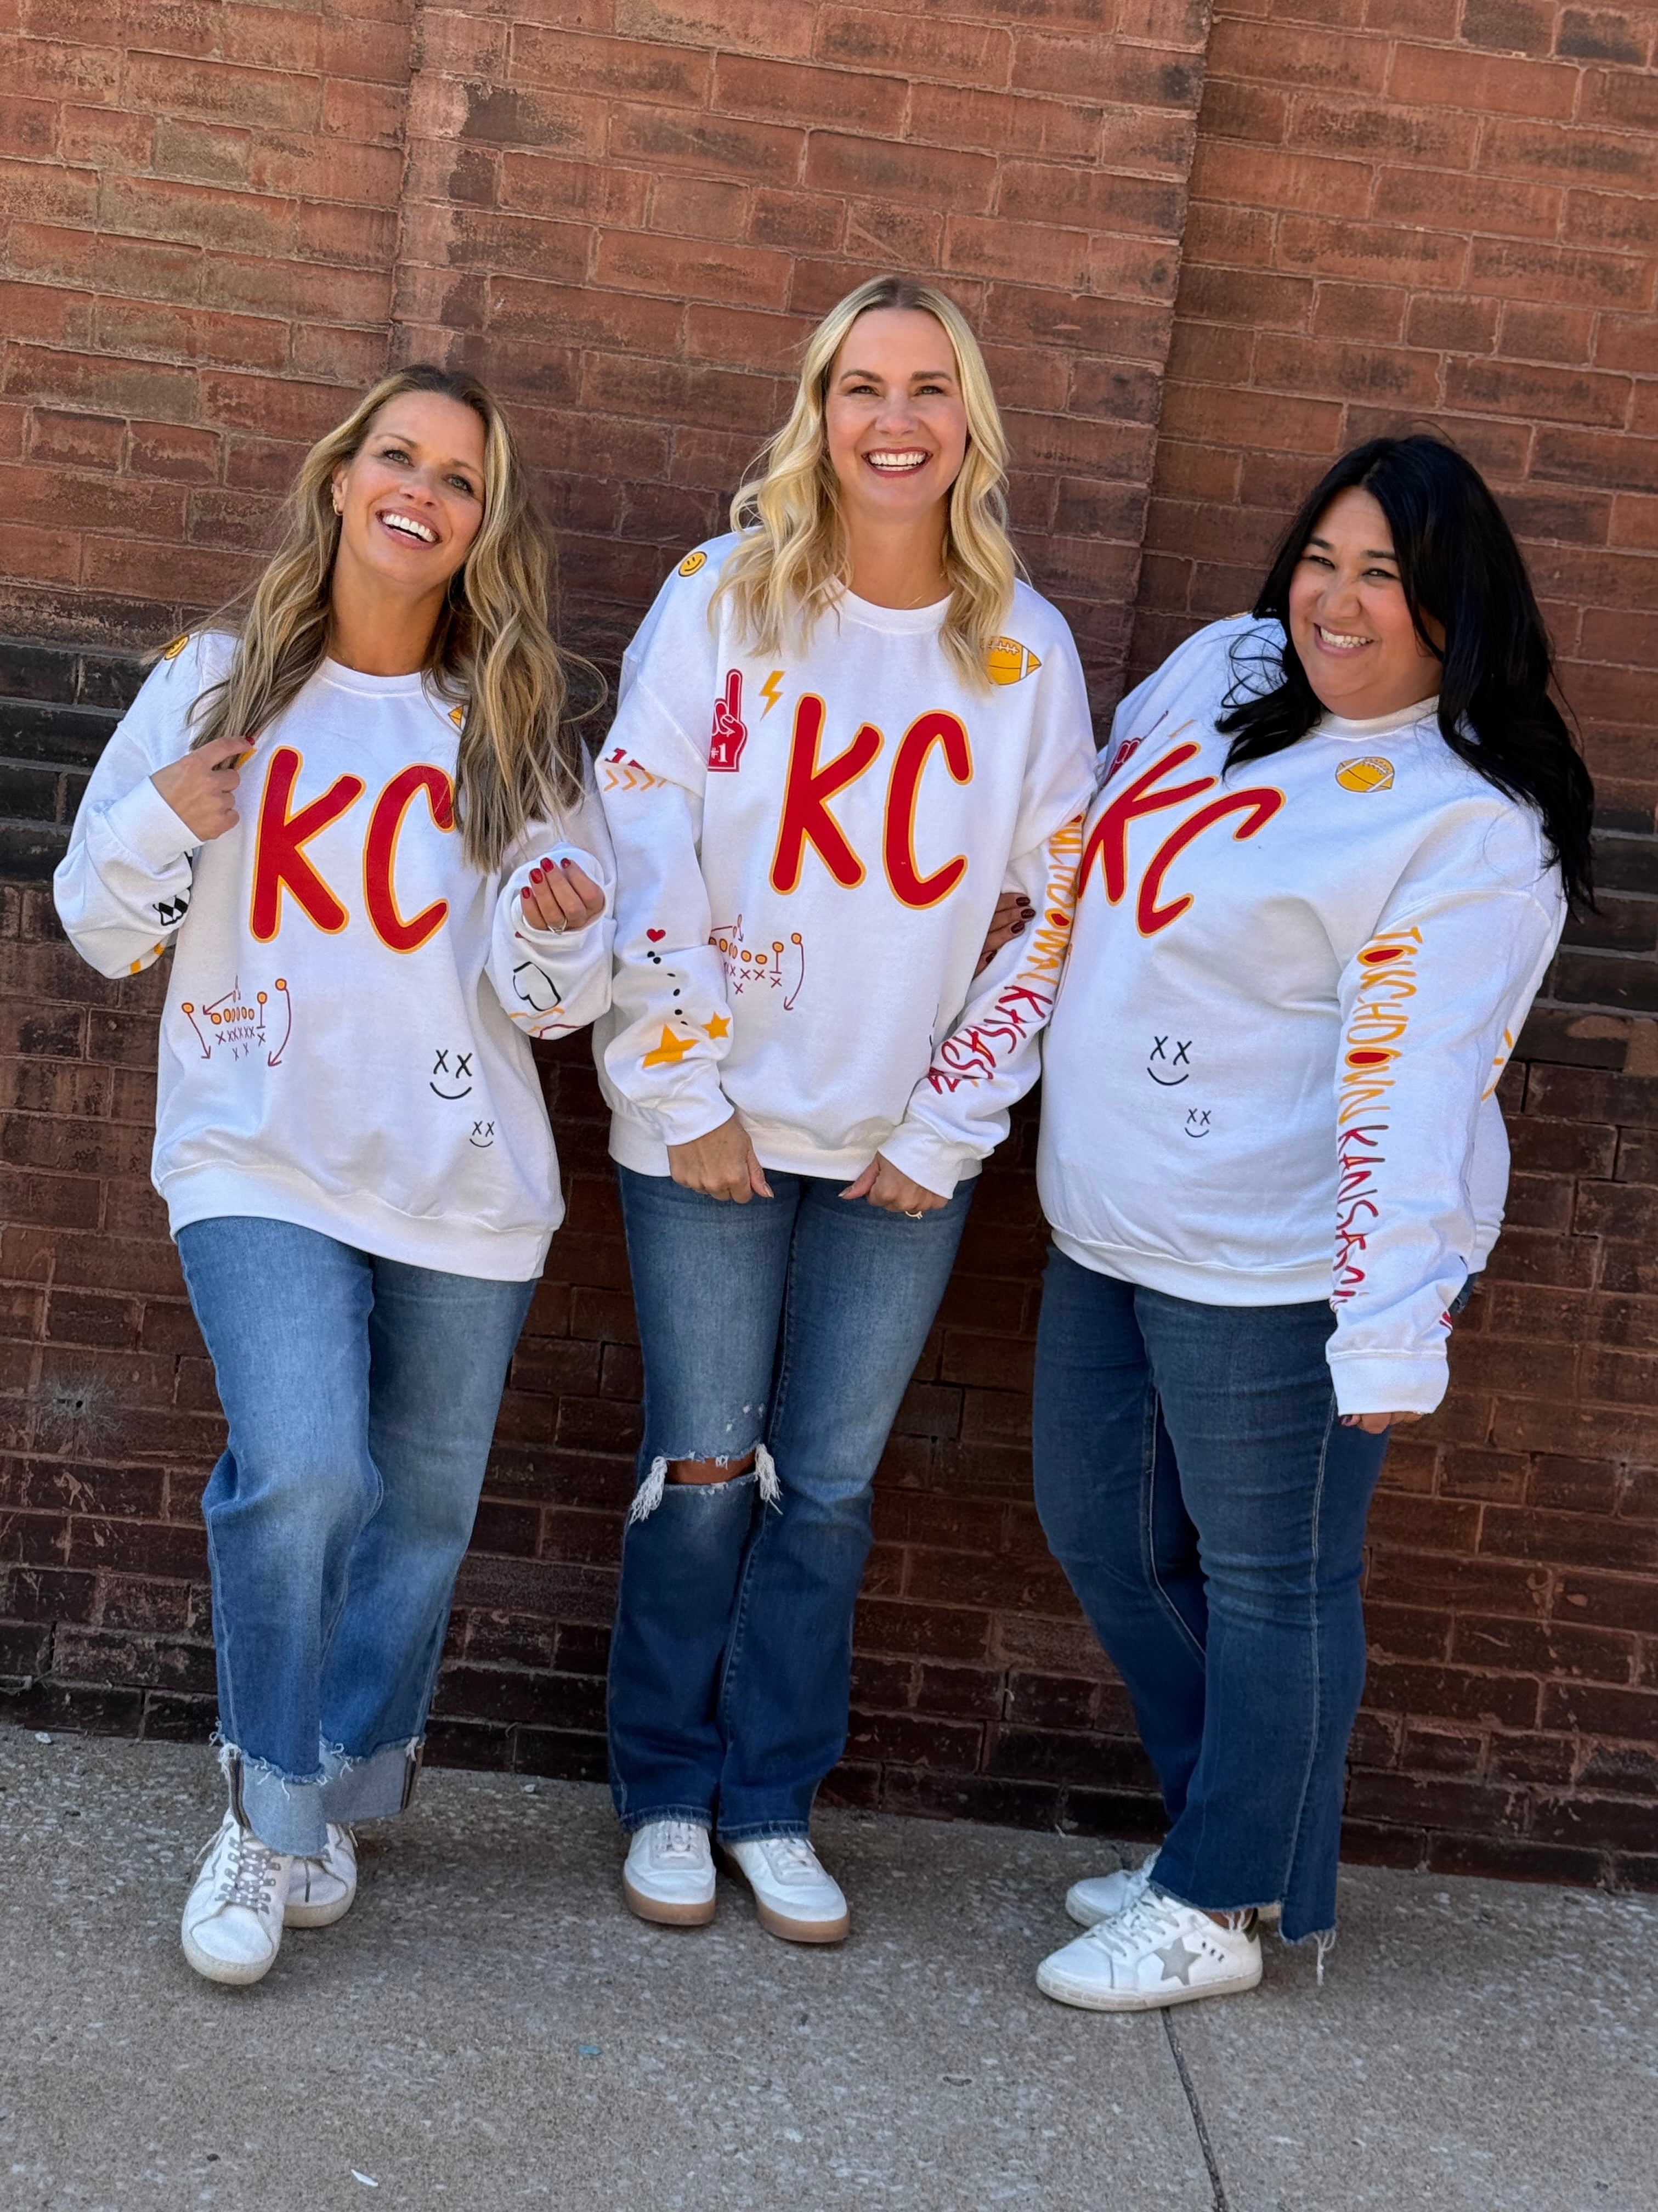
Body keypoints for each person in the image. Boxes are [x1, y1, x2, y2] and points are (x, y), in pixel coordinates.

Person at [53, 365, 615, 1987]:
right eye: (398, 457)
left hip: (460, 1176)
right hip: (257, 1149)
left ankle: (343, 1791)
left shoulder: (511, 722)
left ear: (482, 525)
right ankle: (265, 1808)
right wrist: (164, 820)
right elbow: (99, 926)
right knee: (303, 1471)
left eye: (458, 478)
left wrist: (562, 931)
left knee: (422, 1513)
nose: (419, 492)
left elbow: (552, 1005)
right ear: (342, 477)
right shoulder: (218, 682)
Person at [1031, 434, 1593, 2010]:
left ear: (1454, 609)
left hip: (1281, 1268)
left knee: (1277, 1584)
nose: (1337, 603)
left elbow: (1419, 1088)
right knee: (1103, 1535)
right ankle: (1253, 1840)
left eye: (1385, 577)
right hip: (1108, 1223)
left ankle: (1218, 1895)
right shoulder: (1225, 676)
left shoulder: (1468, 825)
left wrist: (1392, 1322)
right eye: (1322, 561)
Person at [592, 275, 1096, 1943]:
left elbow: (1060, 907)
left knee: (827, 1486)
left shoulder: (1023, 646)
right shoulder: (724, 598)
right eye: (862, 386)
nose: (896, 419)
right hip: (709, 1131)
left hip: (901, 1150)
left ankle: (772, 1802)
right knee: (705, 1465)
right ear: (818, 413)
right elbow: (639, 829)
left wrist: (948, 1124)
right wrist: (684, 1086)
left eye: (929, 387)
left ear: (971, 423)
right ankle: (668, 1792)